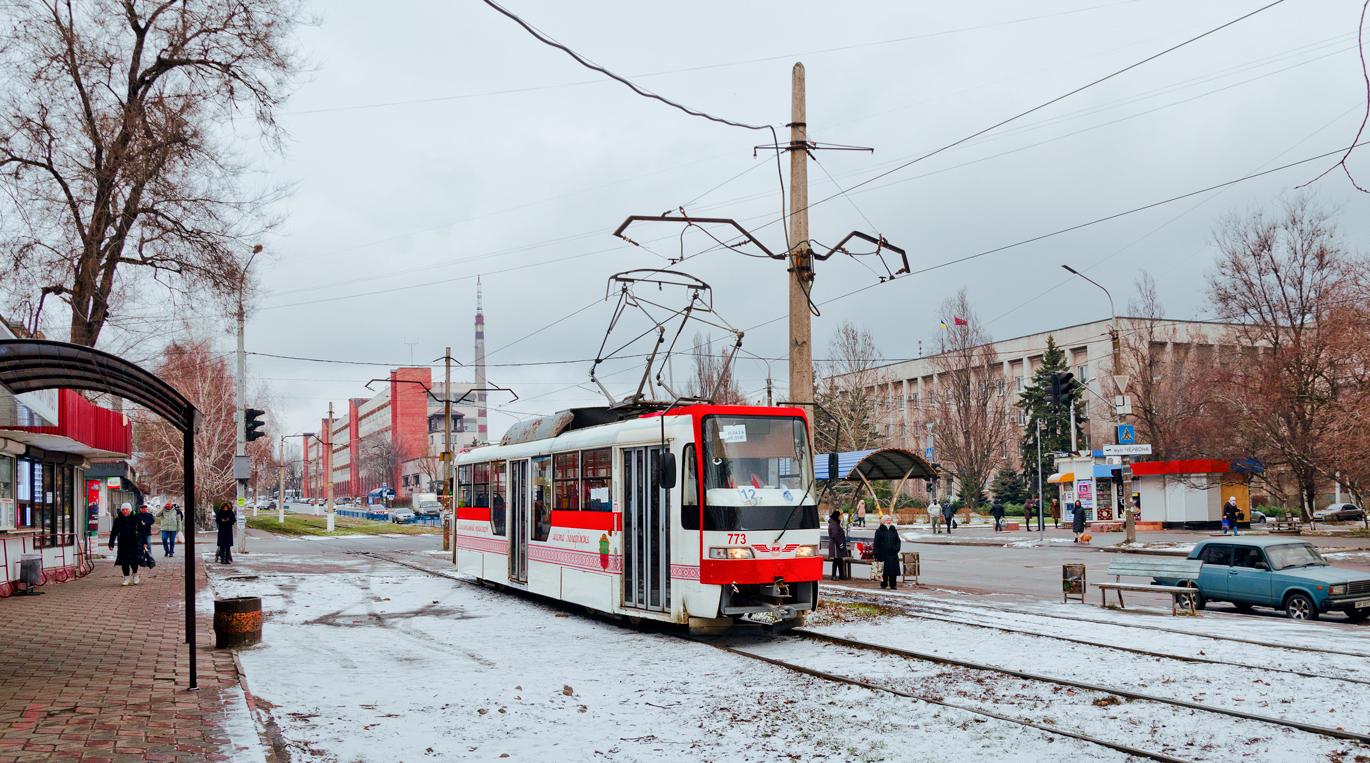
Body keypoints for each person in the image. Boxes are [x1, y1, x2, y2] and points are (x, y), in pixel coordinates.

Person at [108, 503, 143, 586]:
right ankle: (126, 577)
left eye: (126, 510)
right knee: (124, 561)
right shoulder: (118, 520)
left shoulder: (136, 518)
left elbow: (141, 531)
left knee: (134, 560)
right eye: (123, 510)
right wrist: (111, 544)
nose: (125, 511)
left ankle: (135, 574)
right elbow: (114, 532)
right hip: (123, 543)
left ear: (130, 510)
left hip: (134, 542)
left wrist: (144, 542)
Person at [872, 515, 902, 589]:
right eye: (887, 520)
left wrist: (896, 548)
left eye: (890, 520)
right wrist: (877, 554)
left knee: (893, 570)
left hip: (893, 553)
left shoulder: (893, 530)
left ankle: (893, 584)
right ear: (883, 521)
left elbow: (898, 541)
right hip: (883, 553)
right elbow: (876, 543)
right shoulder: (879, 530)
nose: (889, 521)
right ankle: (883, 583)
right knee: (884, 569)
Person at [827, 510, 849, 581]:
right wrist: (840, 543)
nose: (840, 517)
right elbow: (835, 535)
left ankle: (841, 574)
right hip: (835, 546)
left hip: (837, 545)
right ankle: (833, 575)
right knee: (836, 560)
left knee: (840, 559)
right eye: (839, 516)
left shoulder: (835, 523)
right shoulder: (834, 524)